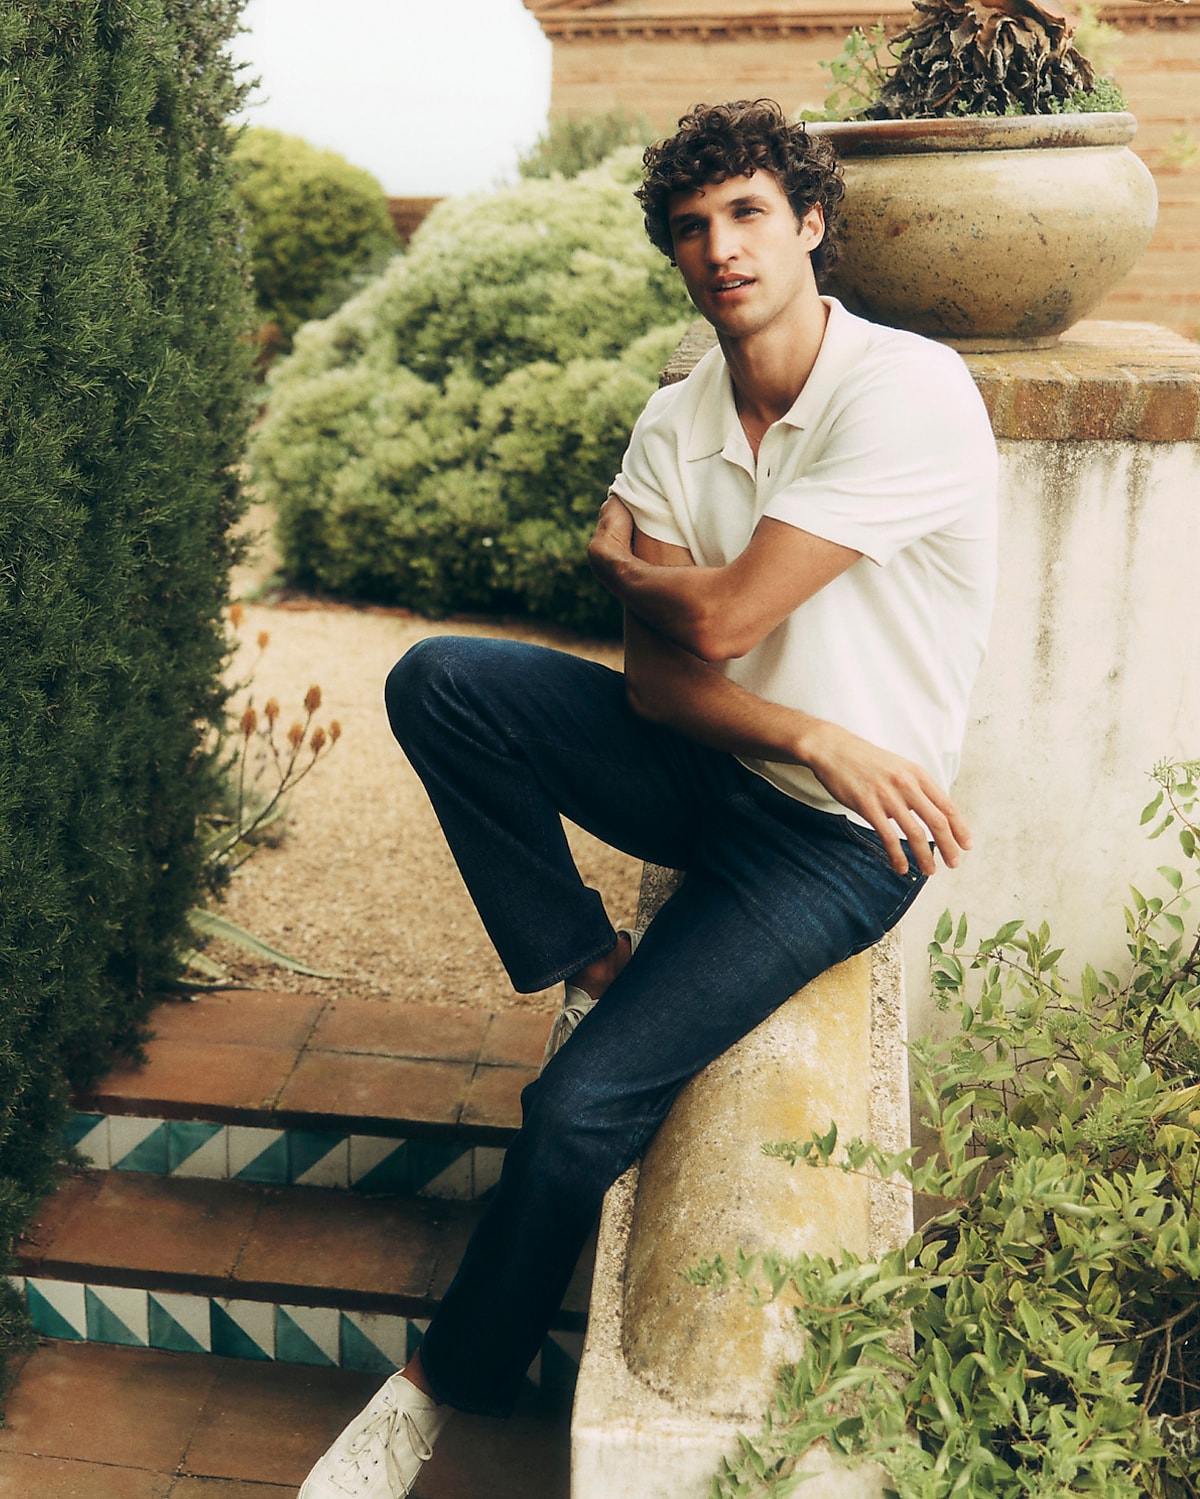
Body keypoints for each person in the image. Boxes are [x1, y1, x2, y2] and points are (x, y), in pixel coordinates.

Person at [297, 98, 998, 1499]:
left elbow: (721, 622)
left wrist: (629, 575)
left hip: (837, 848)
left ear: (809, 224)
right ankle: (587, 958)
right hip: (717, 771)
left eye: (748, 214)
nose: (721, 248)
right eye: (691, 226)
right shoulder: (678, 419)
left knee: (574, 1116)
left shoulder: (906, 391)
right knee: (443, 681)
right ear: (673, 252)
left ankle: (443, 1388)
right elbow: (668, 691)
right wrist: (812, 730)